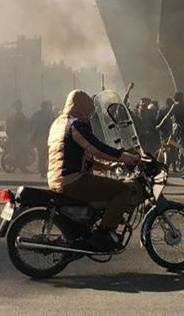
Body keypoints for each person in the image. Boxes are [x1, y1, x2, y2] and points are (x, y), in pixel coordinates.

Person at [47, 90, 140, 252]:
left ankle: (88, 230)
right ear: (81, 105)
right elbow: (95, 147)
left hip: (57, 179)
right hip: (72, 181)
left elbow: (77, 154)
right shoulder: (76, 124)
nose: (90, 112)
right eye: (89, 107)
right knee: (122, 189)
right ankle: (103, 233)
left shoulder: (59, 123)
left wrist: (106, 166)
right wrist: (124, 157)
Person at [30, 101, 54, 178]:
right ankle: (43, 169)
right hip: (43, 136)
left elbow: (31, 123)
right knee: (44, 154)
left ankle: (42, 169)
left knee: (43, 154)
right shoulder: (49, 115)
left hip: (43, 136)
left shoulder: (37, 115)